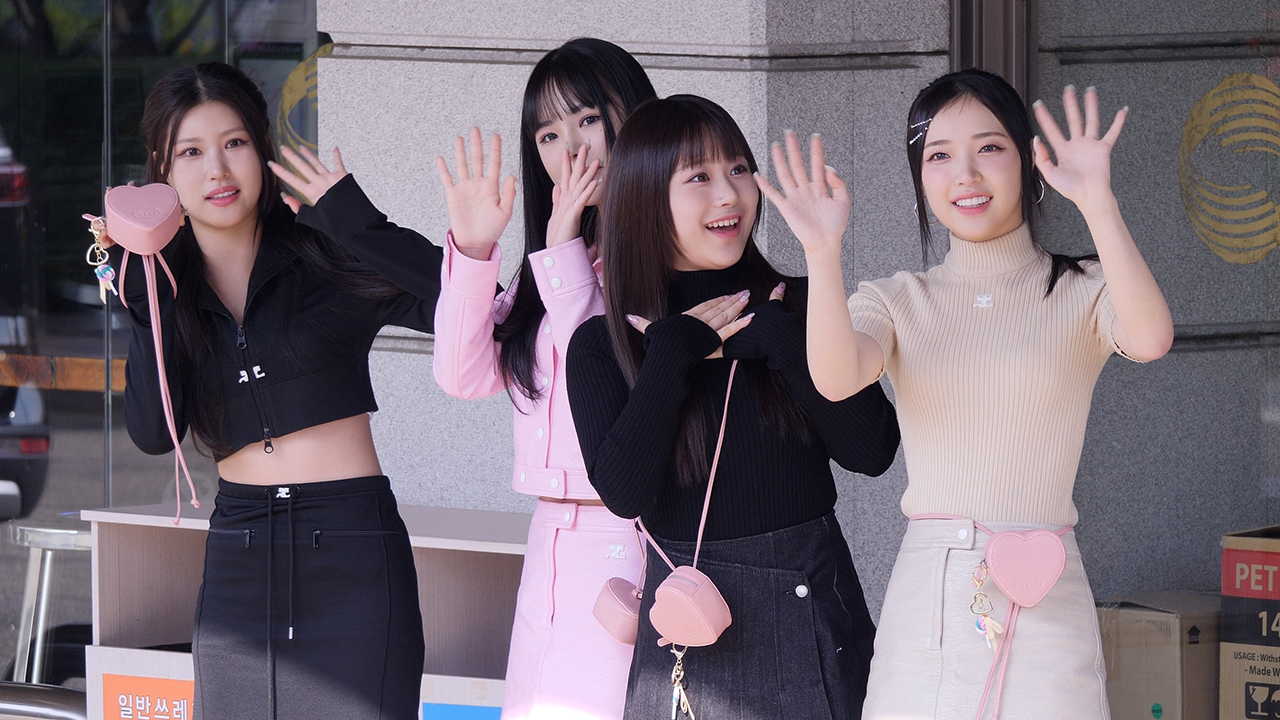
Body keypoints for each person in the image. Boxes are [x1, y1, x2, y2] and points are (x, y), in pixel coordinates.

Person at [758, 69, 1173, 718]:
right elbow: (836, 379)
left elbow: (1149, 337)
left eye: (990, 147)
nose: (966, 174)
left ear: (1029, 160)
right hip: (931, 598)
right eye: (939, 156)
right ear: (920, 179)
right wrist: (821, 250)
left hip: (1047, 595)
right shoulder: (897, 300)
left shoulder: (1083, 288)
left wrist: (1099, 202)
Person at [102, 61, 440, 719]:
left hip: (353, 550)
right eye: (191, 152)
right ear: (161, 172)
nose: (217, 170)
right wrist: (146, 300)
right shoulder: (166, 289)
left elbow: (473, 302)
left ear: (260, 149)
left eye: (234, 143)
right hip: (240, 554)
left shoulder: (325, 252)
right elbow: (154, 433)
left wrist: (357, 222)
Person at [565, 94, 901, 719]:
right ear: (644, 197)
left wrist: (782, 341)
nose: (729, 195)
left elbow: (872, 450)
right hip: (686, 620)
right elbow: (624, 493)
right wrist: (672, 355)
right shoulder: (604, 343)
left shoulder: (799, 304)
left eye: (739, 169)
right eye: (699, 177)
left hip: (807, 607)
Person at [431, 37, 657, 719]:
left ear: (633, 117)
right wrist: (474, 250)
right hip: (549, 535)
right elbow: (463, 374)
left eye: (589, 119)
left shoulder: (665, 257)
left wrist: (560, 250)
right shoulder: (557, 261)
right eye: (549, 134)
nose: (572, 149)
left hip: (630, 538)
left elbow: (605, 366)